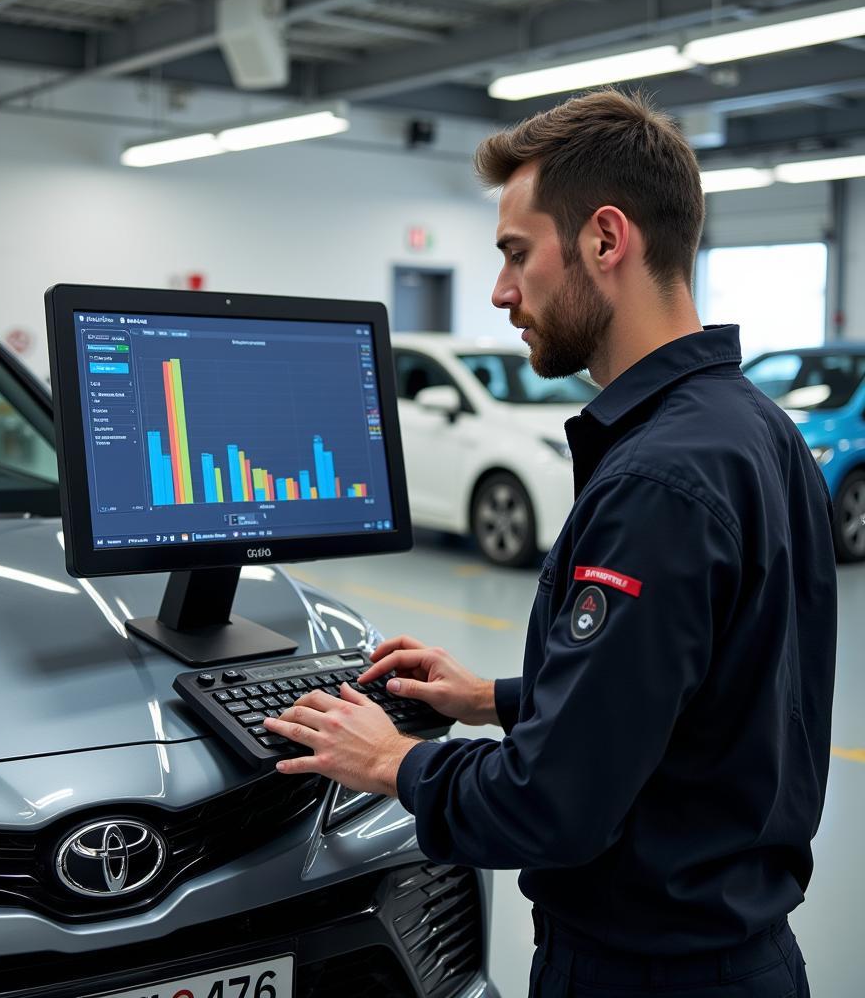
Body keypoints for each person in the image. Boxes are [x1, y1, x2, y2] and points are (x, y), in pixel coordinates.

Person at [263, 88, 837, 996]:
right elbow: (695, 693)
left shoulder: (660, 479)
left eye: (516, 254)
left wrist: (392, 761)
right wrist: (487, 697)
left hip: (645, 975)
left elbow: (552, 807)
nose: (500, 291)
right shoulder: (753, 427)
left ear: (606, 240)